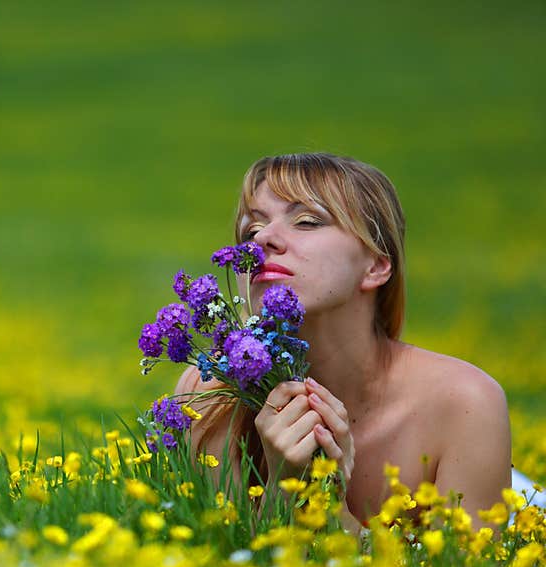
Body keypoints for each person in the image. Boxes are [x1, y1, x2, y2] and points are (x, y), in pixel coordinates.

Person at [174, 152, 542, 533]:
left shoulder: (465, 403)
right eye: (252, 230)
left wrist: (325, 507)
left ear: (377, 265)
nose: (262, 239)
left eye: (306, 221)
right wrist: (284, 491)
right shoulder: (210, 397)